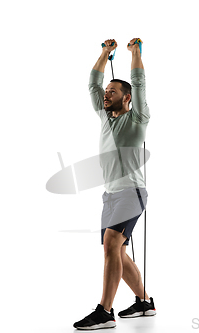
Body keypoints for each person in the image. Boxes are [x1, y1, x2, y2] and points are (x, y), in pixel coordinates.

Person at [73, 38, 156, 330]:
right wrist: (104, 53)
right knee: (117, 251)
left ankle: (104, 312)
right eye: (106, 92)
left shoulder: (138, 119)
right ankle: (144, 302)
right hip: (110, 196)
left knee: (111, 246)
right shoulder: (105, 118)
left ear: (127, 97)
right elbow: (93, 84)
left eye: (113, 91)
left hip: (131, 194)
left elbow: (140, 83)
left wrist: (134, 54)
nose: (106, 95)